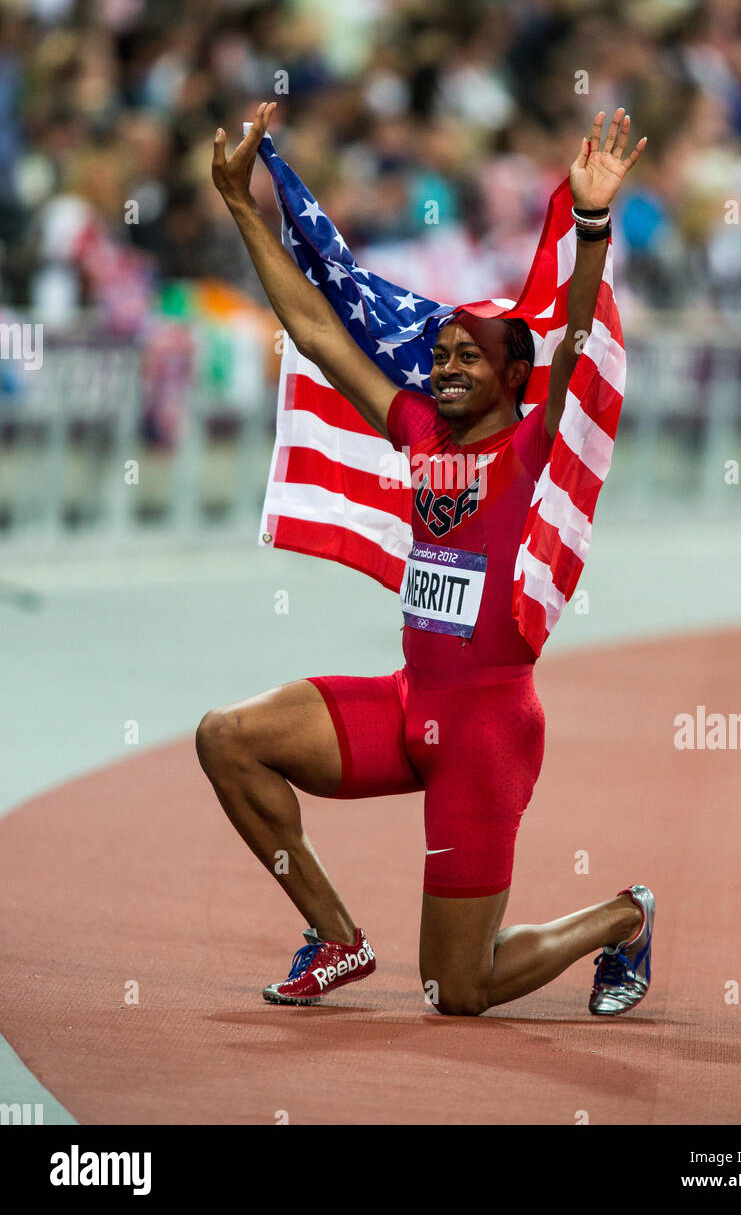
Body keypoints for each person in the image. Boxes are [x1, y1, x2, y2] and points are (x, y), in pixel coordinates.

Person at [197, 101, 653, 1017]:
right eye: (438, 355)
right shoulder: (416, 430)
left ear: (509, 380)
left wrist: (593, 224)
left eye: (467, 359)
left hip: (486, 735)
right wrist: (242, 205)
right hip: (411, 705)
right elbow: (322, 334)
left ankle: (622, 918)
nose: (442, 368)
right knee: (228, 738)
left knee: (459, 988)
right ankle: (335, 939)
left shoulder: (530, 448)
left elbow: (570, 347)